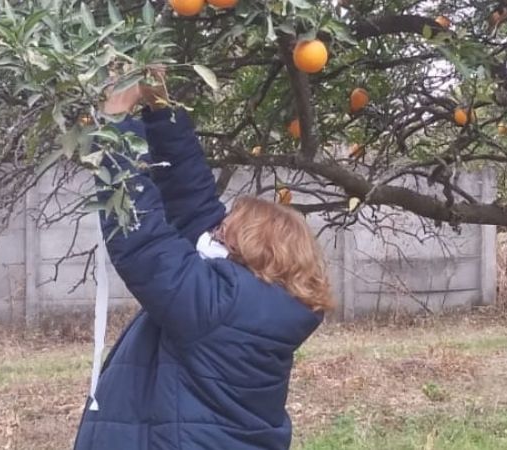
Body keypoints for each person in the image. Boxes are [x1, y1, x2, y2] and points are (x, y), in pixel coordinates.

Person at [73, 70, 333, 450]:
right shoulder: (260, 305)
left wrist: (116, 125)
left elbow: (144, 245)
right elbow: (194, 203)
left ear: (250, 244)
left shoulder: (219, 306)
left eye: (228, 225)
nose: (217, 228)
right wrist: (163, 110)